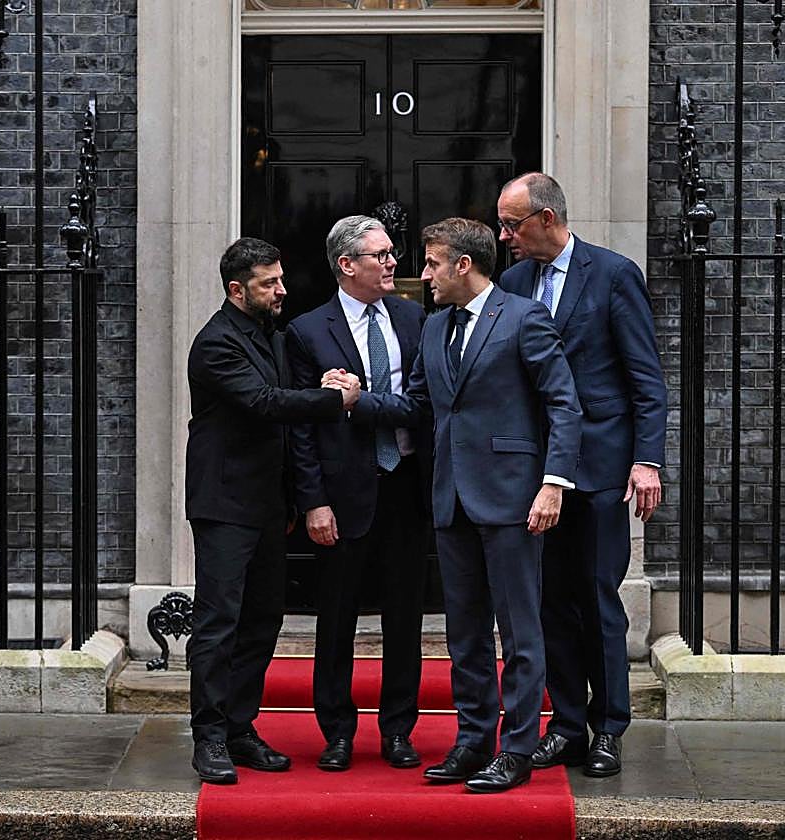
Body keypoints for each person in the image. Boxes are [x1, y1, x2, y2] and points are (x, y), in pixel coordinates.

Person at [341, 217, 581, 793]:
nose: (421, 275)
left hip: (515, 499)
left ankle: (517, 748)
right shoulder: (433, 328)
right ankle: (473, 741)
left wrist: (553, 484)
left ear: (463, 266)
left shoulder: (525, 319)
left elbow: (564, 406)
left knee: (519, 633)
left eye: (430, 264)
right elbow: (420, 404)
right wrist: (359, 400)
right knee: (465, 634)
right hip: (449, 498)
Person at [496, 173, 668, 778]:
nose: (505, 235)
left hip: (598, 466)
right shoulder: (513, 283)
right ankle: (567, 724)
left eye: (513, 224)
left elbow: (645, 377)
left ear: (547, 218)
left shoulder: (613, 274)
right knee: (549, 602)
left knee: (597, 598)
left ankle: (609, 727)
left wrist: (647, 460)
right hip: (534, 471)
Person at [185, 236, 361, 785]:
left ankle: (240, 728)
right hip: (223, 504)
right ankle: (209, 738)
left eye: (281, 278)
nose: (282, 289)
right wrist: (337, 400)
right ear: (238, 290)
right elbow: (264, 404)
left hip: (265, 505)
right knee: (219, 625)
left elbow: (290, 392)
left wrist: (327, 382)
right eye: (270, 283)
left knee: (263, 622)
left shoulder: (273, 337)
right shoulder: (216, 344)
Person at [285, 215, 430, 773]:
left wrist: (359, 400)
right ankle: (338, 733)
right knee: (337, 618)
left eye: (393, 253)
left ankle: (398, 731)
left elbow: (422, 405)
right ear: (347, 265)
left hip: (406, 488)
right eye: (381, 255)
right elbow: (300, 428)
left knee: (404, 620)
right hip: (341, 495)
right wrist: (312, 501)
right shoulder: (308, 331)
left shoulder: (415, 318)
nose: (394, 262)